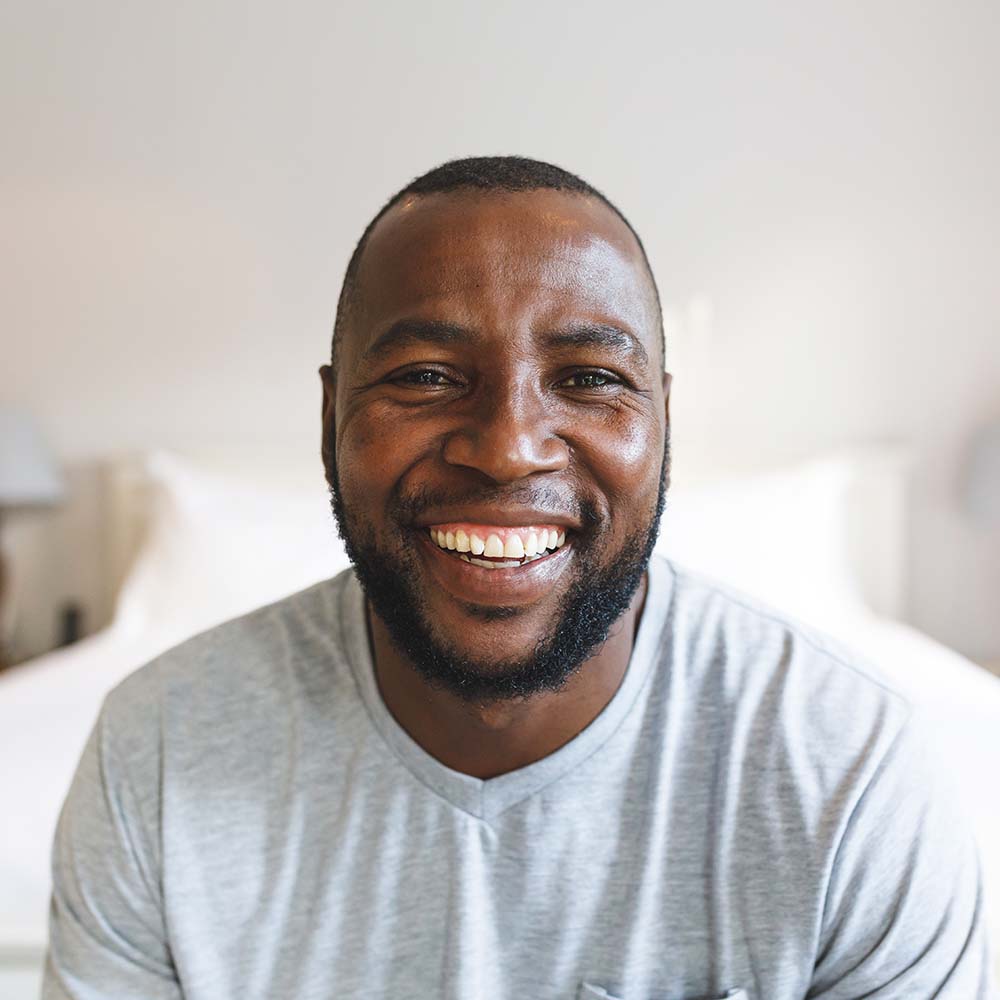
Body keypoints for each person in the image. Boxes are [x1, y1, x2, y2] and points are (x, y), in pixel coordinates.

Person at [43, 156, 993, 1000]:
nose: (507, 450)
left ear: (662, 424)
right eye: (423, 376)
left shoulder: (851, 769)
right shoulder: (159, 751)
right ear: (332, 415)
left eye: (588, 379)